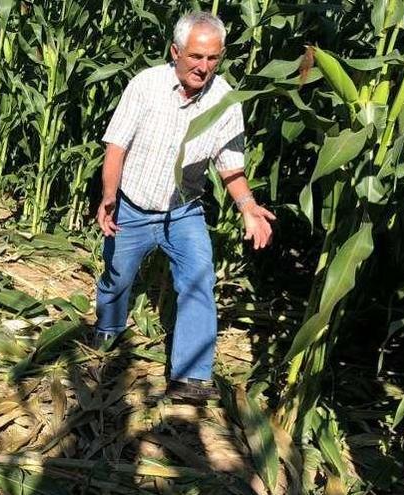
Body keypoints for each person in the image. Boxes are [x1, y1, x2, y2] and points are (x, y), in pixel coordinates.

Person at [93, 12, 275, 403]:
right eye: (195, 56)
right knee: (116, 277)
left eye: (212, 59)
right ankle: (108, 327)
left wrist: (248, 206)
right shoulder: (146, 85)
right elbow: (116, 146)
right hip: (134, 207)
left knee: (198, 280)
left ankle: (190, 377)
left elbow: (231, 169)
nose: (203, 67)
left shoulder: (226, 100)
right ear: (175, 51)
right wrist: (110, 195)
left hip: (184, 212)